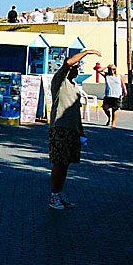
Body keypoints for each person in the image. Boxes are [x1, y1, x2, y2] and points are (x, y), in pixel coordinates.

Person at [48, 48, 101, 210]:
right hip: (60, 128)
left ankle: (59, 193)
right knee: (59, 162)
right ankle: (53, 196)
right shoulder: (60, 81)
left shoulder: (74, 86)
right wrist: (87, 52)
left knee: (66, 164)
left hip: (72, 130)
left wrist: (81, 132)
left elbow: (76, 111)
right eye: (76, 67)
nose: (78, 70)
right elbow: (68, 63)